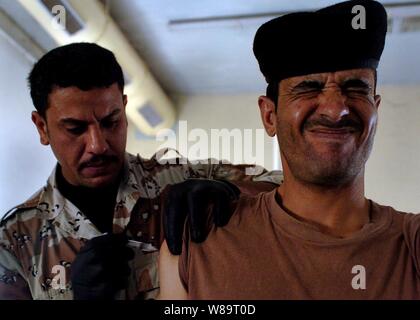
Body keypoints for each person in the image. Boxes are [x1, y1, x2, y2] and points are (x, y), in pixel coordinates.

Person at [159, 0, 420, 299]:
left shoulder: (411, 246)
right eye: (309, 87)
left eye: (356, 88)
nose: (336, 110)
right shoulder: (198, 241)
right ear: (269, 116)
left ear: (376, 109)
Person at [0, 43, 282, 300]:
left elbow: (305, 191)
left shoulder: (186, 180)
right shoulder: (15, 240)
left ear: (124, 108)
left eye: (111, 121)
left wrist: (238, 193)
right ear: (42, 127)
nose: (98, 145)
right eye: (75, 129)